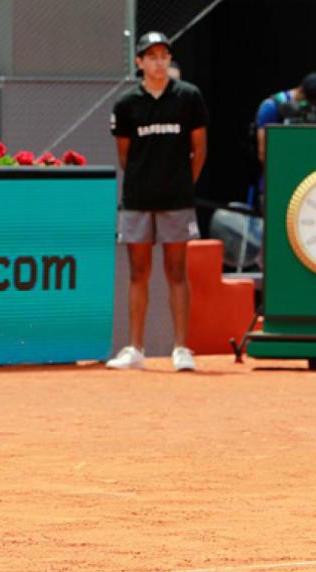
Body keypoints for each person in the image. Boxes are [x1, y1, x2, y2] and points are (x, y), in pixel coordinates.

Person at [106, 31, 207, 372]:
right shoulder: (126, 104)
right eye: (151, 57)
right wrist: (145, 181)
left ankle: (181, 348)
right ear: (139, 62)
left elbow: (199, 150)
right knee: (138, 272)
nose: (159, 63)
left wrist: (181, 185)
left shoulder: (189, 97)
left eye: (164, 56)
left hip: (177, 200)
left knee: (177, 271)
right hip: (137, 200)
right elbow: (125, 156)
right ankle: (135, 348)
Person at [255, 72, 316, 166]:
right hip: (280, 166)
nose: (308, 104)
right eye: (307, 99)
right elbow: (263, 154)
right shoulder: (271, 107)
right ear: (300, 90)